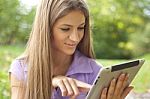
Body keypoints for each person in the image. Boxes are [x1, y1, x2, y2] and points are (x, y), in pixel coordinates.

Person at [9, 0, 133, 99]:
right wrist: (50, 83)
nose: (75, 38)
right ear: (46, 29)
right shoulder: (21, 68)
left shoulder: (94, 71)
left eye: (80, 28)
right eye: (65, 29)